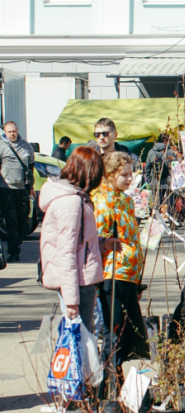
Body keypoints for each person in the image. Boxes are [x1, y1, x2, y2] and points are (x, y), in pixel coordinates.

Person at [39, 147, 119, 333]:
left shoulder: (74, 198)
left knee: (81, 339)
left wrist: (100, 244)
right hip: (78, 282)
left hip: (78, 279)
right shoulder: (71, 203)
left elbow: (78, 243)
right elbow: (66, 254)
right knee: (81, 341)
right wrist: (72, 301)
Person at [92, 152, 146, 377]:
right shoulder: (102, 201)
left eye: (131, 173)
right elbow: (99, 241)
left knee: (131, 333)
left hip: (130, 275)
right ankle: (109, 381)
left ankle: (123, 378)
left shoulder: (125, 199)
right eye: (123, 174)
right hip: (112, 275)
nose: (129, 178)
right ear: (109, 175)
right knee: (114, 332)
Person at [0, 121, 35, 262]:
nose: (12, 134)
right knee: (11, 221)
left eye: (14, 131)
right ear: (5, 133)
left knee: (23, 220)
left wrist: (31, 186)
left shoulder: (27, 147)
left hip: (23, 189)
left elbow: (31, 167)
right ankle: (14, 251)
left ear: (17, 130)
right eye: (9, 132)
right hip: (7, 189)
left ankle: (17, 245)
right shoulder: (2, 146)